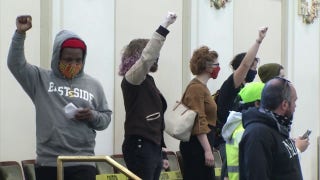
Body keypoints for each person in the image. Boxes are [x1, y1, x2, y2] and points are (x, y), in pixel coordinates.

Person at [8, 15, 112, 180]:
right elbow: (15, 64)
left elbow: (106, 118)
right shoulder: (39, 79)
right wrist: (20, 34)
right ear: (57, 57)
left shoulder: (93, 85)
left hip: (83, 162)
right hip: (49, 163)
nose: (73, 64)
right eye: (68, 59)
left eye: (78, 60)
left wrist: (92, 115)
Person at [119, 12, 177, 180]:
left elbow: (155, 120)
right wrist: (163, 27)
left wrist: (162, 150)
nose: (156, 57)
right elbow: (147, 58)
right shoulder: (132, 79)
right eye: (154, 52)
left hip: (152, 145)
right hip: (139, 145)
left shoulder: (148, 81)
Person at [214, 27, 268, 180]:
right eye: (253, 68)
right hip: (228, 144)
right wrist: (258, 41)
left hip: (245, 140)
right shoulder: (230, 87)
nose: (254, 72)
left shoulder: (249, 89)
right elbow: (244, 65)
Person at [239, 77, 303, 180]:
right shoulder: (258, 134)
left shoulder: (278, 128)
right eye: (294, 101)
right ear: (285, 104)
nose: (295, 106)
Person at [179, 46, 220, 180]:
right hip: (197, 147)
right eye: (216, 65)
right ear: (208, 67)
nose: (218, 68)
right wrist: (207, 150)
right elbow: (198, 120)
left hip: (202, 144)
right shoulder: (196, 88)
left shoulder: (202, 87)